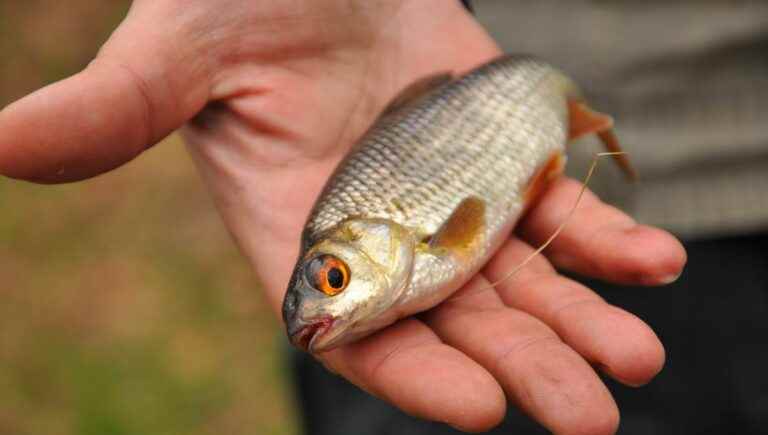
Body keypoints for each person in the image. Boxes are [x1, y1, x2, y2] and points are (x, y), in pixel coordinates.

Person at [0, 1, 688, 433]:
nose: (325, 302)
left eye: (332, 278)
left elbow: (470, 218)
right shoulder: (373, 289)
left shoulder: (430, 243)